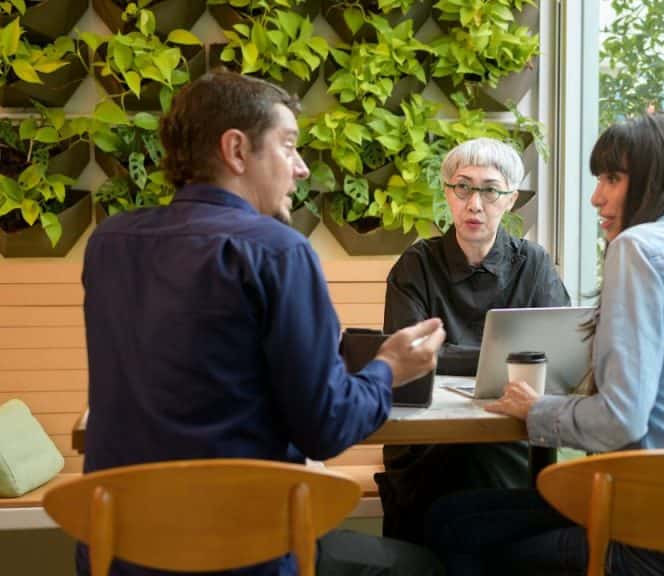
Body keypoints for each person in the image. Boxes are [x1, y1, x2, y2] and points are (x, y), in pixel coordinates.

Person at [80, 71, 446, 576]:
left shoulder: (109, 245)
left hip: (117, 549)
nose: (300, 169)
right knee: (419, 567)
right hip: (239, 552)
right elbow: (327, 428)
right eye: (289, 145)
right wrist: (388, 368)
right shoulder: (279, 251)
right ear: (236, 150)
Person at [425, 113, 664, 575]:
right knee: (457, 517)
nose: (596, 196)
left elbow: (621, 419)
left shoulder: (638, 248)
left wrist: (535, 408)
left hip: (644, 537)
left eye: (612, 179)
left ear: (654, 181)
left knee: (456, 528)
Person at [377, 138, 571, 544]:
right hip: (426, 439)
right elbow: (410, 358)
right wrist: (505, 362)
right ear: (447, 193)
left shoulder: (533, 264)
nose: (475, 204)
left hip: (511, 433)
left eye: (490, 190)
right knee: (464, 457)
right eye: (463, 187)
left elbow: (559, 354)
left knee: (483, 458)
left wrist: (449, 356)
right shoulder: (416, 265)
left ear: (511, 199)